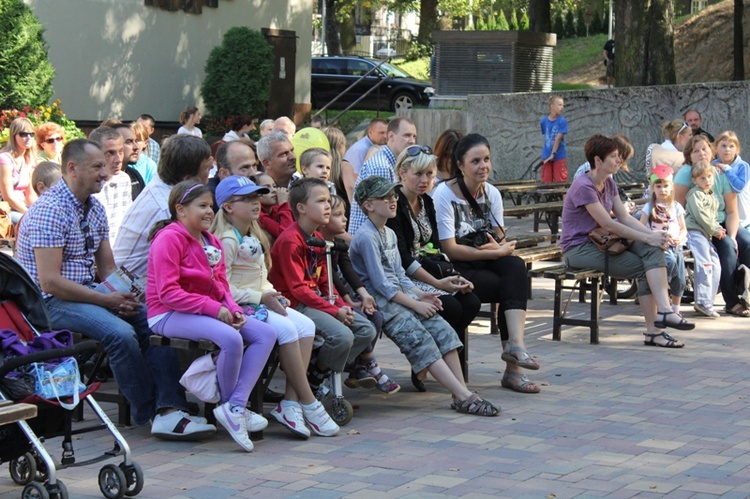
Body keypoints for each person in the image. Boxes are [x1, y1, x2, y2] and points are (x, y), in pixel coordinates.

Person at [15, 139, 216, 439]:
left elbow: (108, 268)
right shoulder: (50, 210)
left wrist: (125, 295)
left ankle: (171, 409)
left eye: (104, 166)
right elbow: (50, 282)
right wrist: (107, 300)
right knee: (121, 335)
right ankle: (149, 413)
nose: (105, 172)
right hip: (47, 304)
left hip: (86, 292)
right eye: (97, 166)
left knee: (156, 320)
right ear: (72, 168)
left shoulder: (93, 207)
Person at [349, 176, 499, 416]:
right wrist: (415, 304)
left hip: (402, 295)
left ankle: (461, 393)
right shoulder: (366, 237)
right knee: (422, 341)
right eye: (385, 197)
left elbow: (399, 275)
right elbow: (381, 285)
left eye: (393, 196)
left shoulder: (388, 232)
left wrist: (422, 294)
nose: (393, 200)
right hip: (383, 303)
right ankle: (464, 397)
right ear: (368, 205)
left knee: (444, 332)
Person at [147, 181, 277, 451]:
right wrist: (214, 309)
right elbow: (168, 293)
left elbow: (220, 285)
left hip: (201, 310)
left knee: (266, 333)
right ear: (180, 210)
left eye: (210, 206)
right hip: (167, 314)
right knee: (231, 338)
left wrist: (234, 309)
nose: (209, 211)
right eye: (202, 206)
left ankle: (234, 406)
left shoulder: (210, 240)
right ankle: (231, 408)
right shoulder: (169, 238)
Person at [210, 175, 340, 438]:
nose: (255, 203)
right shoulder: (226, 240)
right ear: (227, 206)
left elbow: (261, 277)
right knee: (288, 330)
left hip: (259, 301)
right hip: (239, 307)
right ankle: (309, 403)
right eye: (246, 199)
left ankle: (290, 404)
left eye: (256, 197)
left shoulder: (252, 234)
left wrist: (271, 294)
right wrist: (261, 298)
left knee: (306, 326)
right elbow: (220, 286)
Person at [561, 134, 694, 348]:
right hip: (579, 249)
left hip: (603, 241)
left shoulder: (609, 182)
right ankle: (654, 332)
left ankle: (665, 311)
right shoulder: (583, 186)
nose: (618, 161)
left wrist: (653, 238)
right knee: (643, 267)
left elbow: (624, 217)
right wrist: (648, 235)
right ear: (598, 161)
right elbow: (609, 224)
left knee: (653, 250)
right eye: (613, 156)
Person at [432, 134, 541, 392]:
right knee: (509, 283)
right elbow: (450, 248)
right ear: (460, 165)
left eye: (487, 159)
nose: (484, 166)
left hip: (484, 260)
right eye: (476, 161)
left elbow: (501, 237)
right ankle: (513, 371)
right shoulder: (443, 195)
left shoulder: (491, 193)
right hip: (457, 267)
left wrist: (497, 248)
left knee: (515, 267)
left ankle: (515, 347)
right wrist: (493, 252)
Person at [267, 178, 377, 396]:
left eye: (328, 200)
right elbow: (298, 290)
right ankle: (315, 378)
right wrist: (335, 311)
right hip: (295, 305)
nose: (328, 206)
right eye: (321, 201)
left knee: (366, 330)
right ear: (301, 208)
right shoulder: (291, 240)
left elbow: (325, 281)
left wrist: (340, 304)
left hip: (316, 301)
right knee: (343, 337)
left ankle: (317, 369)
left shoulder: (317, 236)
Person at [386, 145, 481, 392]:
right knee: (448, 305)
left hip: (429, 270)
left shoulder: (426, 201)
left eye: (429, 174)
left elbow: (435, 245)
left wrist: (453, 275)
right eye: (418, 174)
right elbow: (403, 259)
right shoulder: (394, 204)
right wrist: (439, 284)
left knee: (470, 301)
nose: (425, 180)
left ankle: (439, 364)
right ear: (401, 173)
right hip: (405, 277)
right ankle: (434, 365)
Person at [319, 194, 399, 394]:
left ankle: (358, 367)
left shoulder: (339, 242)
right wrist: (348, 301)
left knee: (376, 316)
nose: (345, 219)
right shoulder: (319, 243)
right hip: (329, 297)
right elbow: (331, 277)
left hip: (341, 295)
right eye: (338, 215)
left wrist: (363, 296)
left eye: (344, 214)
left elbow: (347, 270)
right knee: (363, 322)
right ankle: (365, 366)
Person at [114, 134, 213, 277]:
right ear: (188, 179)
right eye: (208, 169)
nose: (209, 175)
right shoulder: (170, 209)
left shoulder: (163, 185)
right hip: (135, 292)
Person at [674, 134, 750, 318]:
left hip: (722, 221)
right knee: (727, 249)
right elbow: (677, 206)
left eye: (704, 149)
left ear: (712, 150)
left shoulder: (720, 173)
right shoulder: (687, 173)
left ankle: (746, 295)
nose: (701, 153)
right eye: (696, 151)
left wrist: (732, 236)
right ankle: (731, 302)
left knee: (745, 243)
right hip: (698, 224)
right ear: (689, 155)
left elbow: (732, 212)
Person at [348, 117, 417, 235]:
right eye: (407, 135)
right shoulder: (382, 166)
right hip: (370, 241)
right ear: (390, 136)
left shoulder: (391, 162)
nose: (412, 141)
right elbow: (382, 212)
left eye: (414, 136)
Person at [639, 165, 687, 315]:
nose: (662, 189)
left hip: (676, 246)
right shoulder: (649, 206)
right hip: (659, 247)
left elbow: (683, 228)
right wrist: (653, 235)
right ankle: (662, 303)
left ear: (671, 187)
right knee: (667, 268)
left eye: (665, 186)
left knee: (680, 279)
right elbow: (640, 226)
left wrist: (680, 237)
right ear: (653, 188)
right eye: (658, 186)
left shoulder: (676, 206)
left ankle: (676, 308)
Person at [684, 161, 723, 318]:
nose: (707, 180)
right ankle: (701, 301)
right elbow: (702, 216)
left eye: (709, 177)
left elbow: (713, 217)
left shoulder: (711, 195)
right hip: (695, 232)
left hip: (706, 234)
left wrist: (717, 227)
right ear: (694, 180)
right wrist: (715, 229)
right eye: (702, 178)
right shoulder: (695, 194)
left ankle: (708, 301)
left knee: (716, 265)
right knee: (705, 264)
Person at [89, 126, 131, 241]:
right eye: (110, 153)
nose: (118, 159)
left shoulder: (124, 179)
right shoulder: (87, 185)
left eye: (121, 152)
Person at [0, 118, 38, 223]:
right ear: (14, 136)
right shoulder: (4, 159)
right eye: (23, 134)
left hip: (20, 208)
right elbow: (7, 196)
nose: (28, 137)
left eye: (31, 134)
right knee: (29, 222)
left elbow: (30, 194)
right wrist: (28, 213)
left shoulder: (28, 160)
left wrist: (38, 210)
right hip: (5, 209)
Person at [208, 141, 260, 212]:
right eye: (244, 168)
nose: (253, 173)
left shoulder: (260, 186)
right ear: (224, 173)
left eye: (254, 166)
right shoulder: (208, 201)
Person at [713, 131, 750, 229]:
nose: (727, 150)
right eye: (723, 146)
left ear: (737, 149)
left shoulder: (743, 166)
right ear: (716, 148)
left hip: (743, 220)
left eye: (731, 146)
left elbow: (738, 188)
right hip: (723, 219)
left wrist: (726, 168)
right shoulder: (713, 164)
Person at [110, 123, 147, 201]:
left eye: (136, 141)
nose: (136, 147)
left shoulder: (135, 176)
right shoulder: (102, 180)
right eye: (129, 142)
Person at [324, 126, 355, 212]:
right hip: (343, 211)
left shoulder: (320, 165)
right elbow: (351, 188)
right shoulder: (344, 166)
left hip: (326, 209)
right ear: (340, 145)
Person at [540, 95, 568, 184]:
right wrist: (547, 155)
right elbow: (546, 136)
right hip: (546, 156)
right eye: (559, 105)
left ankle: (563, 198)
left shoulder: (562, 121)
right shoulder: (543, 121)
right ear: (552, 106)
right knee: (546, 181)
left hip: (559, 155)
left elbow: (558, 138)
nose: (562, 107)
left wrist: (553, 154)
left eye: (562, 105)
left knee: (560, 181)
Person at [257, 172, 293, 240]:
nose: (274, 190)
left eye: (274, 186)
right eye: (267, 188)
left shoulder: (275, 208)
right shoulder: (259, 215)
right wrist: (283, 203)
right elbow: (287, 234)